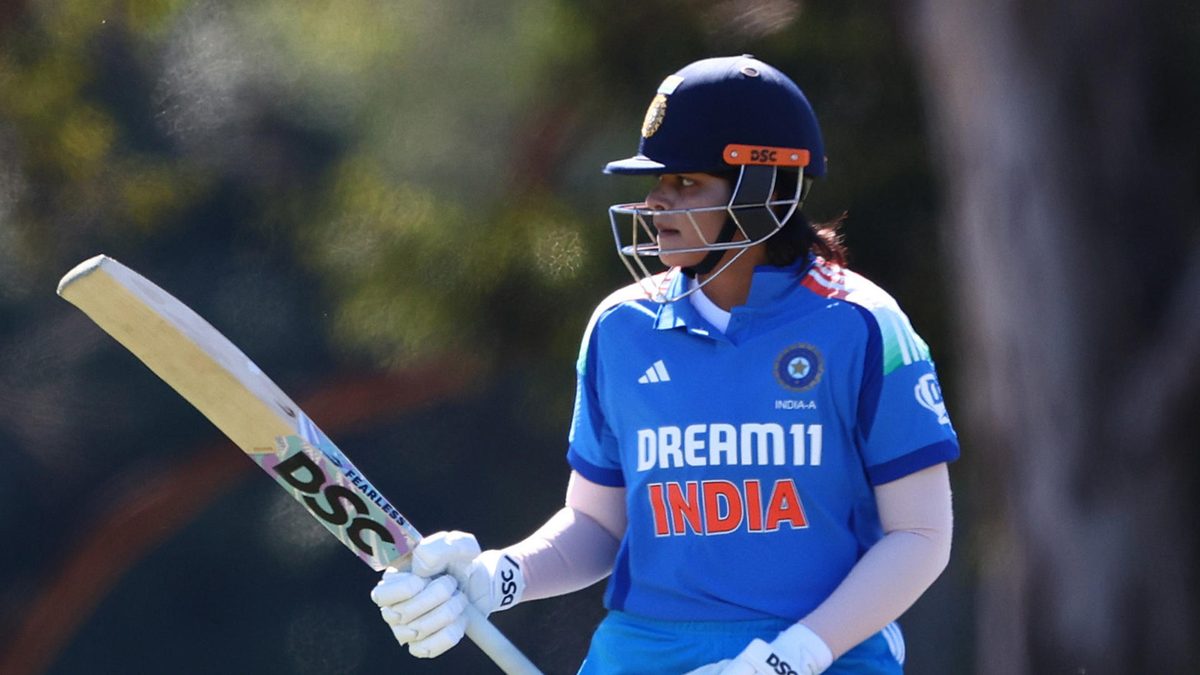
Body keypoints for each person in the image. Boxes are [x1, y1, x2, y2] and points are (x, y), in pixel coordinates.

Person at [370, 55, 958, 675]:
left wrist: (788, 660)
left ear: (762, 190)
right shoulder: (619, 327)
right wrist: (498, 577)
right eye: (657, 182)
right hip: (641, 652)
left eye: (686, 182)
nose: (655, 202)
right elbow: (598, 523)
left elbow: (921, 536)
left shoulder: (864, 324)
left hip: (825, 653)